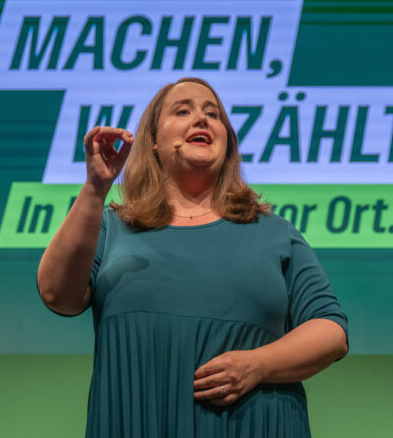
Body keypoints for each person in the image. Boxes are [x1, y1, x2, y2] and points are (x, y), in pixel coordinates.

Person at [37, 77, 349, 437]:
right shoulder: (111, 228)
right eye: (182, 110)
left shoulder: (273, 232)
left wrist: (257, 365)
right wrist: (95, 188)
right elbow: (57, 295)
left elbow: (331, 331)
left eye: (213, 114)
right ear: (153, 141)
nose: (201, 119)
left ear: (227, 143)